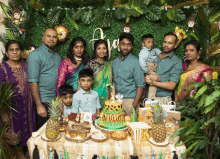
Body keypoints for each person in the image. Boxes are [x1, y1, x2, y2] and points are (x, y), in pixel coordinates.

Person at [0, 40, 35, 159]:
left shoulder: (25, 65)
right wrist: (2, 113)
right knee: (12, 140)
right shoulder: (2, 68)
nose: (15, 52)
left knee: (24, 136)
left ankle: (22, 155)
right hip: (10, 111)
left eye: (17, 49)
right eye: (11, 50)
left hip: (27, 108)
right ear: (6, 53)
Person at [28, 28, 62, 130]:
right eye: (48, 36)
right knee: (42, 133)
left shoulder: (58, 57)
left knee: (55, 131)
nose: (51, 39)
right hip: (42, 102)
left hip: (55, 103)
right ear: (43, 38)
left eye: (54, 37)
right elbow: (33, 82)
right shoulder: (35, 55)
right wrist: (39, 106)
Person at [112, 33, 145, 116]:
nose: (125, 47)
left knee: (130, 128)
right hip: (116, 102)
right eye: (123, 44)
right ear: (119, 45)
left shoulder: (136, 62)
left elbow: (140, 85)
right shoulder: (115, 62)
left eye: (128, 45)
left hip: (130, 101)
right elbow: (113, 82)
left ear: (132, 47)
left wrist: (134, 105)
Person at [145, 32, 183, 104]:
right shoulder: (153, 56)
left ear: (175, 45)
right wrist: (145, 77)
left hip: (163, 100)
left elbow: (171, 86)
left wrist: (152, 82)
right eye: (165, 42)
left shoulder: (176, 61)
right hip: (148, 98)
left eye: (170, 43)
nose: (166, 45)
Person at [86, 39, 112, 110]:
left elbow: (112, 83)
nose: (102, 51)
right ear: (95, 51)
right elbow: (87, 81)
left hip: (108, 99)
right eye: (99, 48)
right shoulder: (91, 64)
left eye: (104, 48)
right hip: (94, 98)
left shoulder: (110, 64)